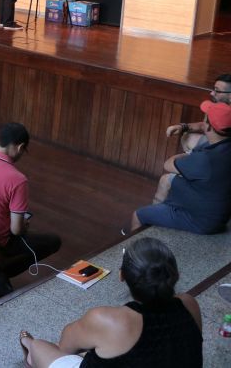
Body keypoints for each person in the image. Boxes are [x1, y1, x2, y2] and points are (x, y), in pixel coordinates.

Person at [19, 237, 202, 368]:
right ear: (174, 275)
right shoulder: (189, 303)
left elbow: (66, 346)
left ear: (122, 275)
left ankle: (29, 349)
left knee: (39, 346)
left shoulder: (108, 319)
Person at [0, 122, 61, 271]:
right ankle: (0, 274)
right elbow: (16, 230)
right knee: (53, 241)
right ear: (20, 147)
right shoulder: (18, 180)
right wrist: (23, 226)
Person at [131, 100, 231, 234]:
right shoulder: (223, 146)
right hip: (218, 208)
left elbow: (168, 164)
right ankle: (158, 217)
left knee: (138, 215)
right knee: (167, 180)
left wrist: (187, 155)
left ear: (208, 127)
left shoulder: (205, 159)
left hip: (201, 221)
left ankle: (130, 247)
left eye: (205, 120)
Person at [165, 73, 231, 153]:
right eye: (214, 89)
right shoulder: (220, 107)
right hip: (220, 145)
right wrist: (183, 127)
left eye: (217, 90)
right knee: (187, 137)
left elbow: (169, 165)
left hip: (223, 152)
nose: (212, 93)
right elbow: (205, 125)